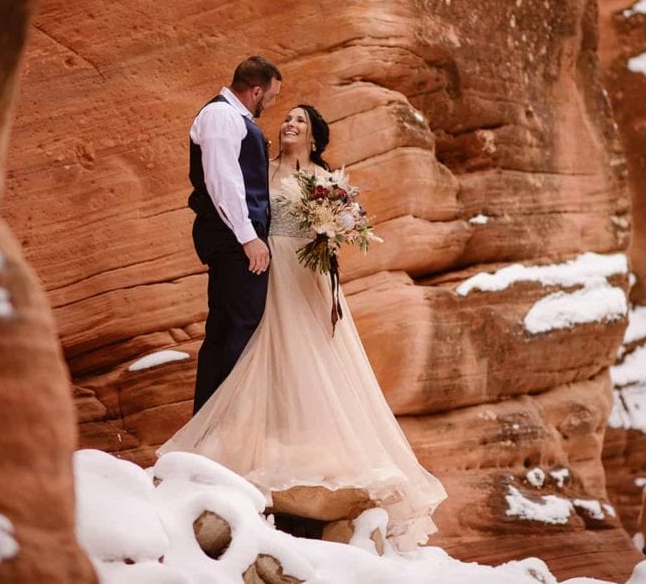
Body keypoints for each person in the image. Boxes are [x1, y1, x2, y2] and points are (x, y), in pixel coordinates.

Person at [163, 104, 446, 550]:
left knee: (315, 363)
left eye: (300, 121)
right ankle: (254, 454)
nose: (289, 125)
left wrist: (335, 229)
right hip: (268, 270)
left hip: (308, 279)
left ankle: (312, 462)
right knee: (263, 352)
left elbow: (340, 230)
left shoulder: (326, 179)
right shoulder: (262, 166)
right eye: (287, 119)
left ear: (313, 137)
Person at [188, 56, 282, 412]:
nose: (269, 105)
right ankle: (225, 424)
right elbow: (222, 182)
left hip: (233, 237)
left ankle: (210, 425)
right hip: (233, 240)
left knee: (229, 327)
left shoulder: (230, 117)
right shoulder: (221, 117)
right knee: (241, 327)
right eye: (270, 97)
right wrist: (248, 237)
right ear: (256, 91)